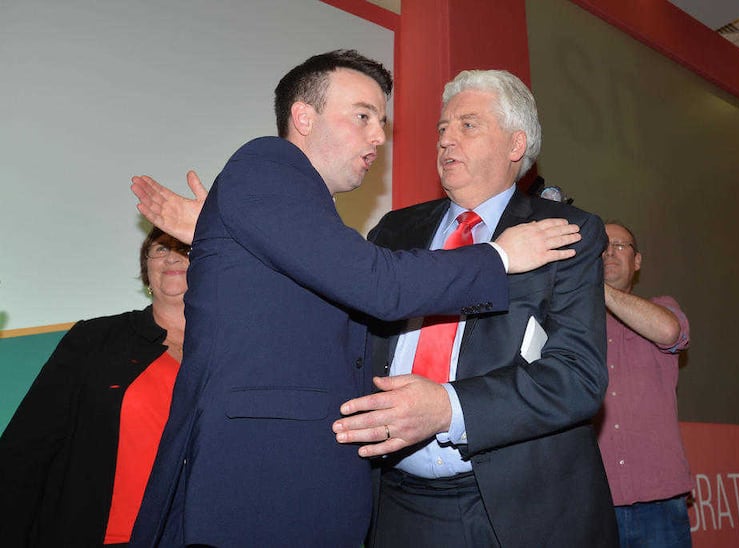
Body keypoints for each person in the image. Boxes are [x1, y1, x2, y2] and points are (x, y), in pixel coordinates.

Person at [129, 50, 582, 547]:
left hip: (312, 488)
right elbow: (381, 287)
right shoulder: (266, 164)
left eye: (381, 122)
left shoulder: (300, 212)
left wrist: (219, 230)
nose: (378, 137)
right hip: (261, 484)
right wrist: (499, 256)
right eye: (363, 116)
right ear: (303, 117)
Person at [329, 70, 618, 547]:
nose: (446, 141)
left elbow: (577, 376)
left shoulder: (566, 232)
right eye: (442, 129)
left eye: (468, 125)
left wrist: (449, 408)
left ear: (515, 145)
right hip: (395, 503)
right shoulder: (394, 231)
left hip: (516, 508)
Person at [0, 227, 189, 546]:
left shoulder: (232, 356)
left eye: (186, 250)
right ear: (147, 272)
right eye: (159, 249)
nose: (171, 256)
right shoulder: (96, 339)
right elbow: (27, 446)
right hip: (105, 536)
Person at [595, 221, 692, 547]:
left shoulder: (663, 306)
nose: (609, 251)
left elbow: (669, 332)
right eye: (602, 246)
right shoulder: (571, 323)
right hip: (595, 503)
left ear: (638, 261)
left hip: (659, 499)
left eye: (619, 245)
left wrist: (595, 287)